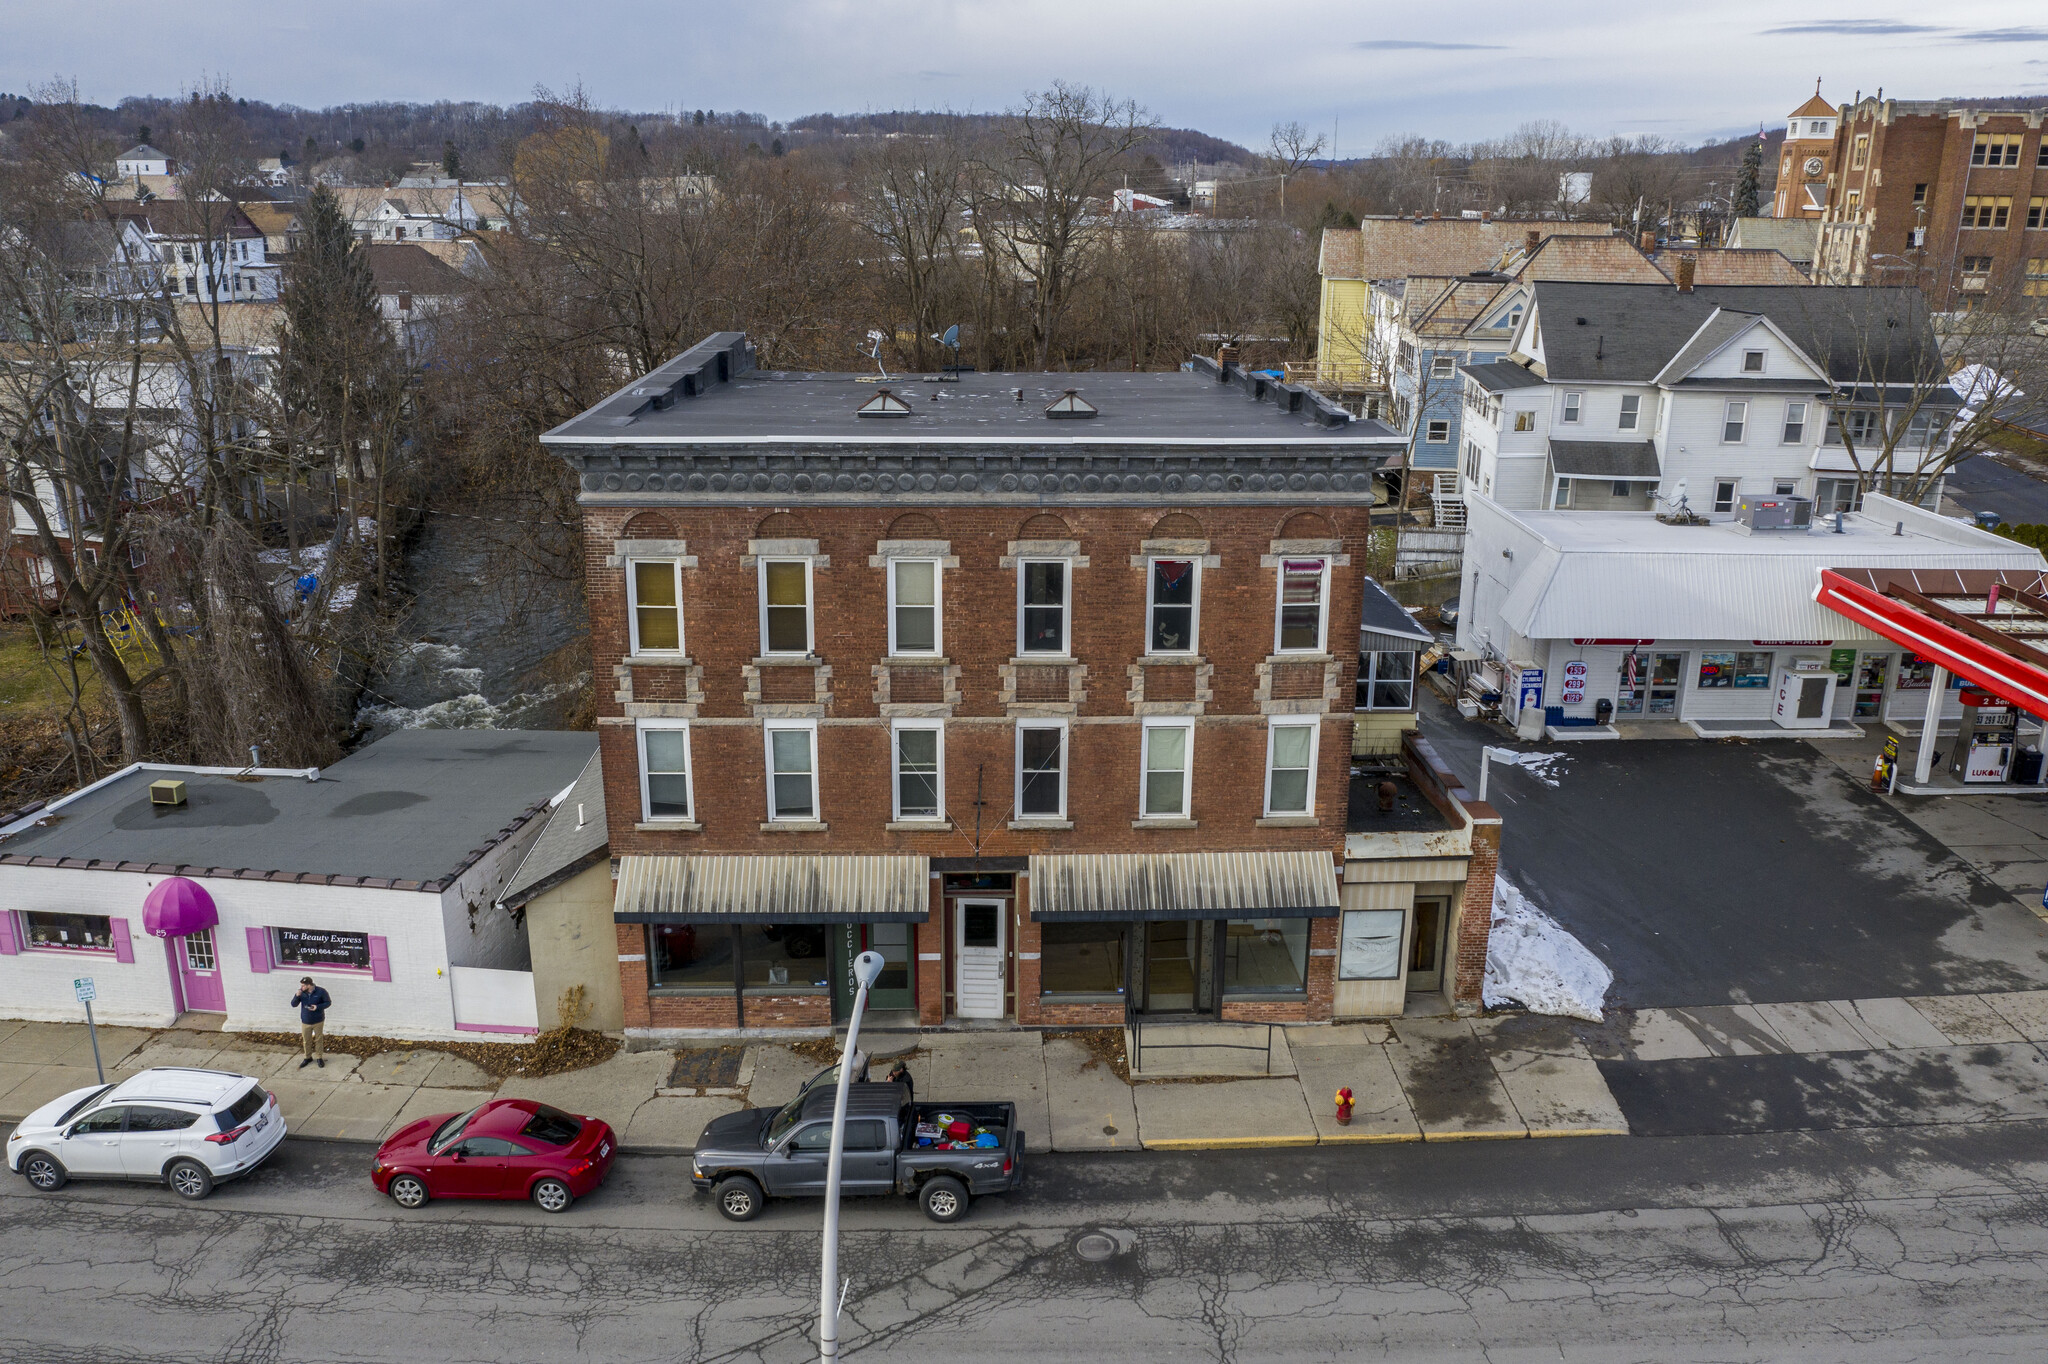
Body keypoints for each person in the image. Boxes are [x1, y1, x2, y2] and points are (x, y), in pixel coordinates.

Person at [290, 976, 332, 1069]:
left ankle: (319, 1057)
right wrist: (297, 996)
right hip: (306, 1020)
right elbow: (293, 1004)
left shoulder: (321, 991)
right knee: (306, 1040)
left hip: (318, 1020)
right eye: (301, 985)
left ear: (309, 985)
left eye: (303, 985)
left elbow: (328, 1003)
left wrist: (317, 1007)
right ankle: (307, 1057)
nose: (302, 987)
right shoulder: (301, 993)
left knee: (318, 1039)